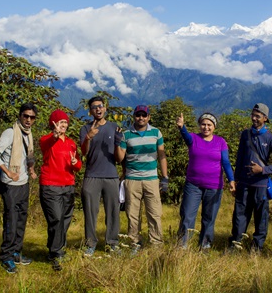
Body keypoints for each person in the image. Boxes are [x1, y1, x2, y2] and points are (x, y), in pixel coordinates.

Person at [0, 103, 38, 274]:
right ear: (20, 116)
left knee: (21, 219)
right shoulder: (10, 133)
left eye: (32, 117)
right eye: (26, 116)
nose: (28, 120)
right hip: (10, 185)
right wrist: (7, 171)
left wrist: (31, 169)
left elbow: (29, 155)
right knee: (11, 220)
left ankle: (16, 252)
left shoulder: (28, 134)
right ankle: (7, 256)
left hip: (23, 184)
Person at [176, 112, 236, 250]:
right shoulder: (193, 138)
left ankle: (205, 245)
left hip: (214, 186)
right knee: (187, 215)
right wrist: (181, 127)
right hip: (193, 185)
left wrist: (231, 180)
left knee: (209, 218)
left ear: (214, 126)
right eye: (203, 124)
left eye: (209, 125)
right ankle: (182, 245)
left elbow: (226, 162)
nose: (206, 127)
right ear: (199, 125)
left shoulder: (220, 142)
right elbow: (185, 136)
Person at [229, 103, 272, 253]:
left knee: (261, 216)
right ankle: (236, 242)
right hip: (244, 183)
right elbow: (239, 158)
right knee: (239, 213)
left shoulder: (271, 139)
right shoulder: (245, 135)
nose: (254, 118)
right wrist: (235, 180)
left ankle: (257, 246)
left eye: (258, 116)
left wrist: (263, 170)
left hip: (261, 184)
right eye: (253, 115)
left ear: (265, 118)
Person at [115, 105, 169, 253]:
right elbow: (120, 158)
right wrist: (117, 142)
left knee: (154, 213)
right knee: (132, 214)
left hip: (152, 179)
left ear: (148, 117)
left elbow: (162, 155)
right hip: (132, 179)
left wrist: (165, 177)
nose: (141, 118)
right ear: (134, 117)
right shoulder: (126, 135)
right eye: (138, 115)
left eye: (144, 115)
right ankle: (135, 243)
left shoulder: (156, 133)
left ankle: (156, 243)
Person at [39, 109, 82, 271]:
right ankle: (56, 252)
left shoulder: (71, 142)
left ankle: (55, 248)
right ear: (53, 123)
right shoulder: (47, 140)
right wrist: (55, 135)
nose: (63, 125)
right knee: (56, 218)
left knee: (65, 219)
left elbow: (78, 166)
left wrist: (74, 162)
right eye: (60, 122)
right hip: (51, 186)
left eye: (65, 122)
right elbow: (47, 144)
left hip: (68, 186)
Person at [79, 96, 123, 257]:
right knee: (90, 212)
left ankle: (112, 243)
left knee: (113, 211)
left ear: (105, 108)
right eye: (94, 107)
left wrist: (118, 143)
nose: (98, 109)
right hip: (92, 175)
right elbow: (84, 152)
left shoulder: (114, 127)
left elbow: (119, 158)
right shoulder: (85, 129)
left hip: (111, 175)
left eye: (100, 106)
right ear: (90, 111)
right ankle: (90, 243)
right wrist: (88, 137)